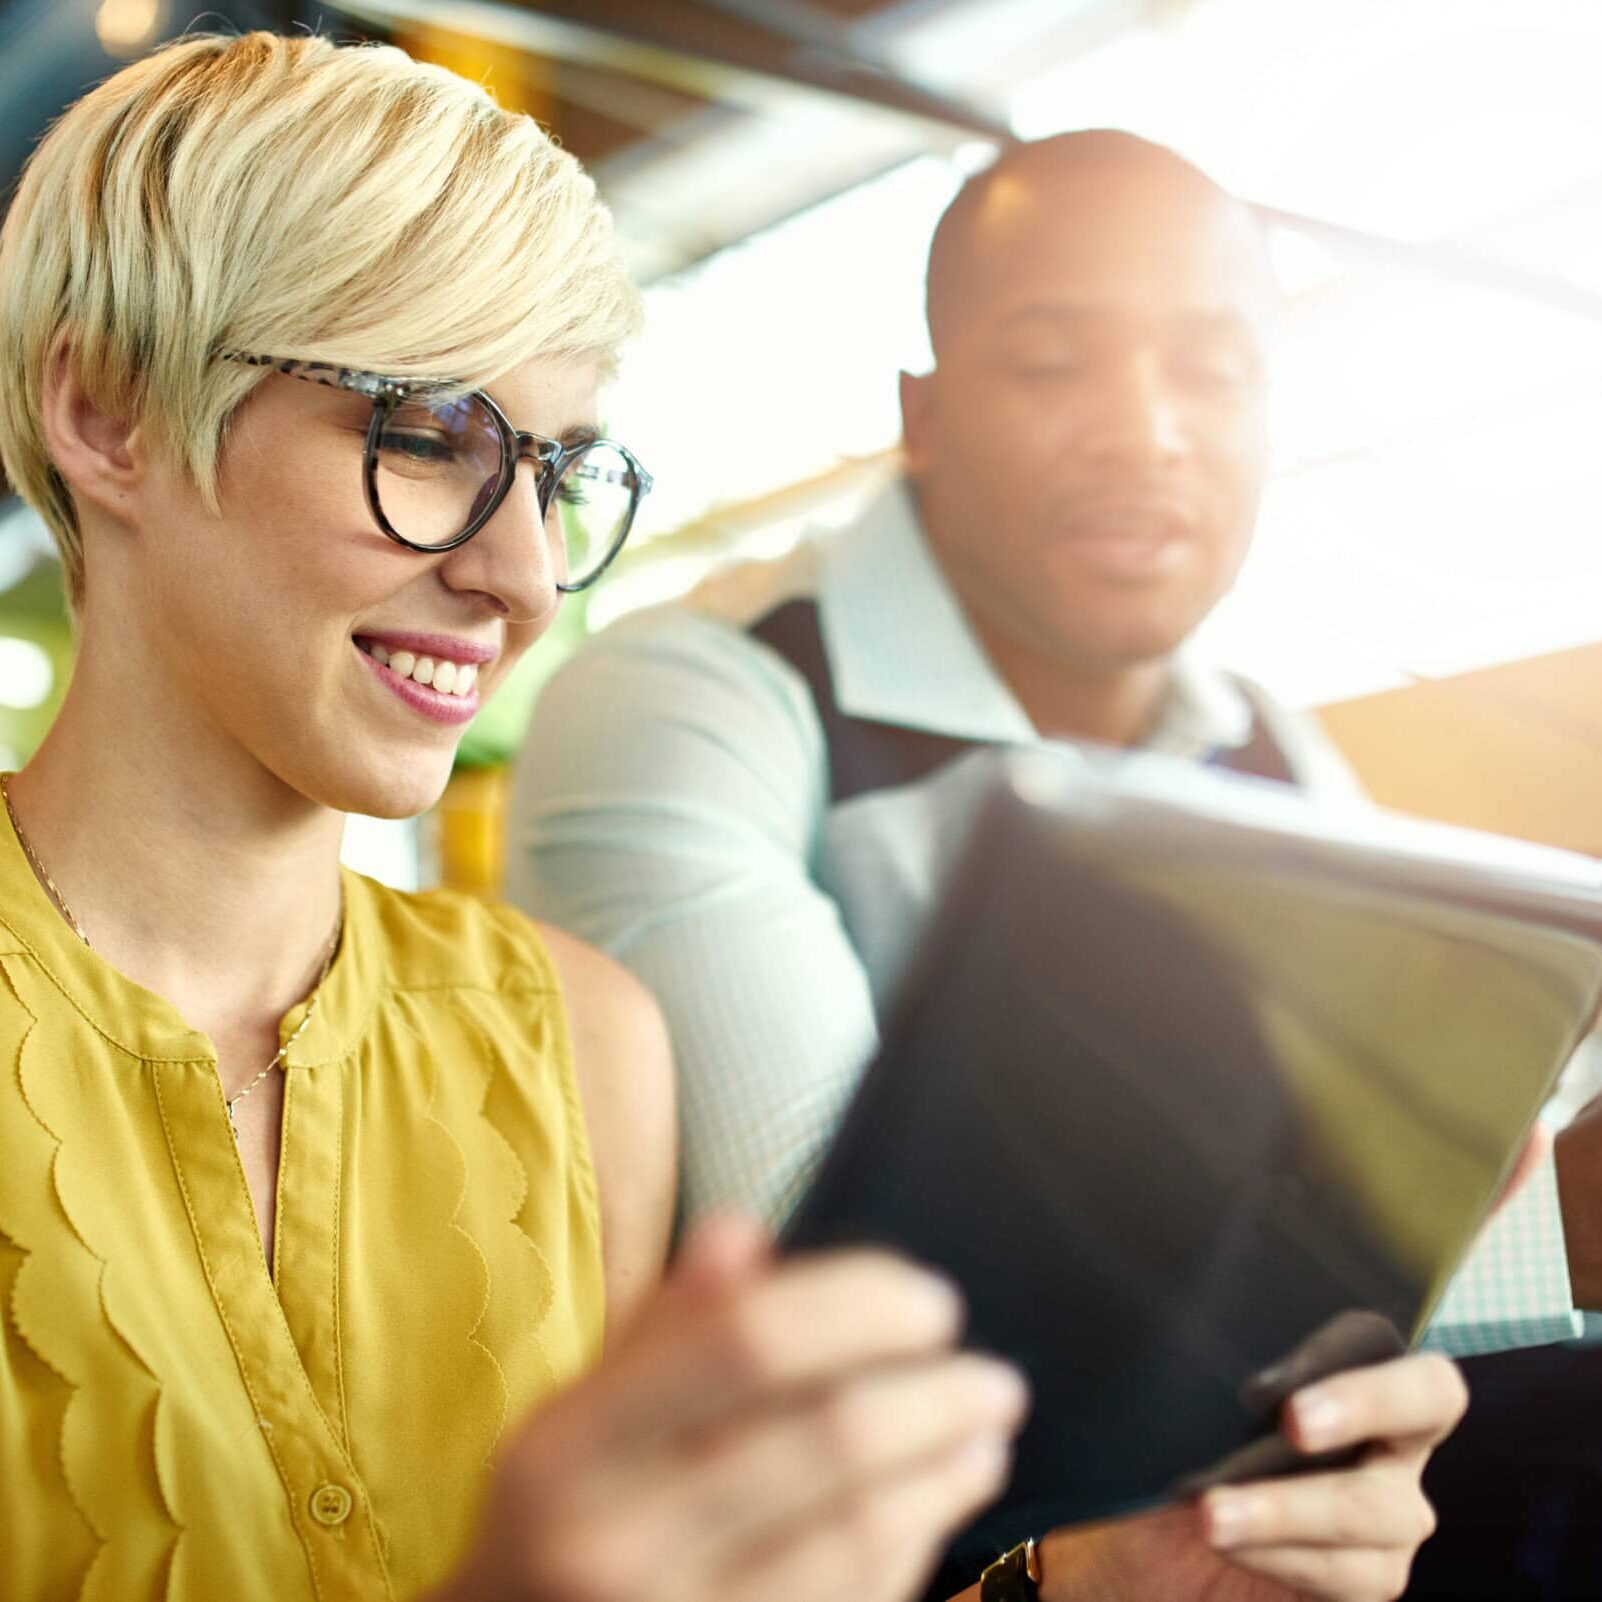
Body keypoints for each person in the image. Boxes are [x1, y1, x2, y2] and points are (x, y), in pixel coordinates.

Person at [0, 34, 1043, 1602]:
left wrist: (1076, 1588)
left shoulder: (582, 1046)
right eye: (427, 434)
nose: (529, 577)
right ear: (107, 411)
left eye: (556, 469)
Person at [507, 132, 1556, 1599]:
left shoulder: (1265, 747)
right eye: (1054, 362)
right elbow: (865, 1311)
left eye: (1211, 371)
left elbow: (1422, 1294)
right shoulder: (696, 698)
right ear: (920, 418)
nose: (1145, 431)